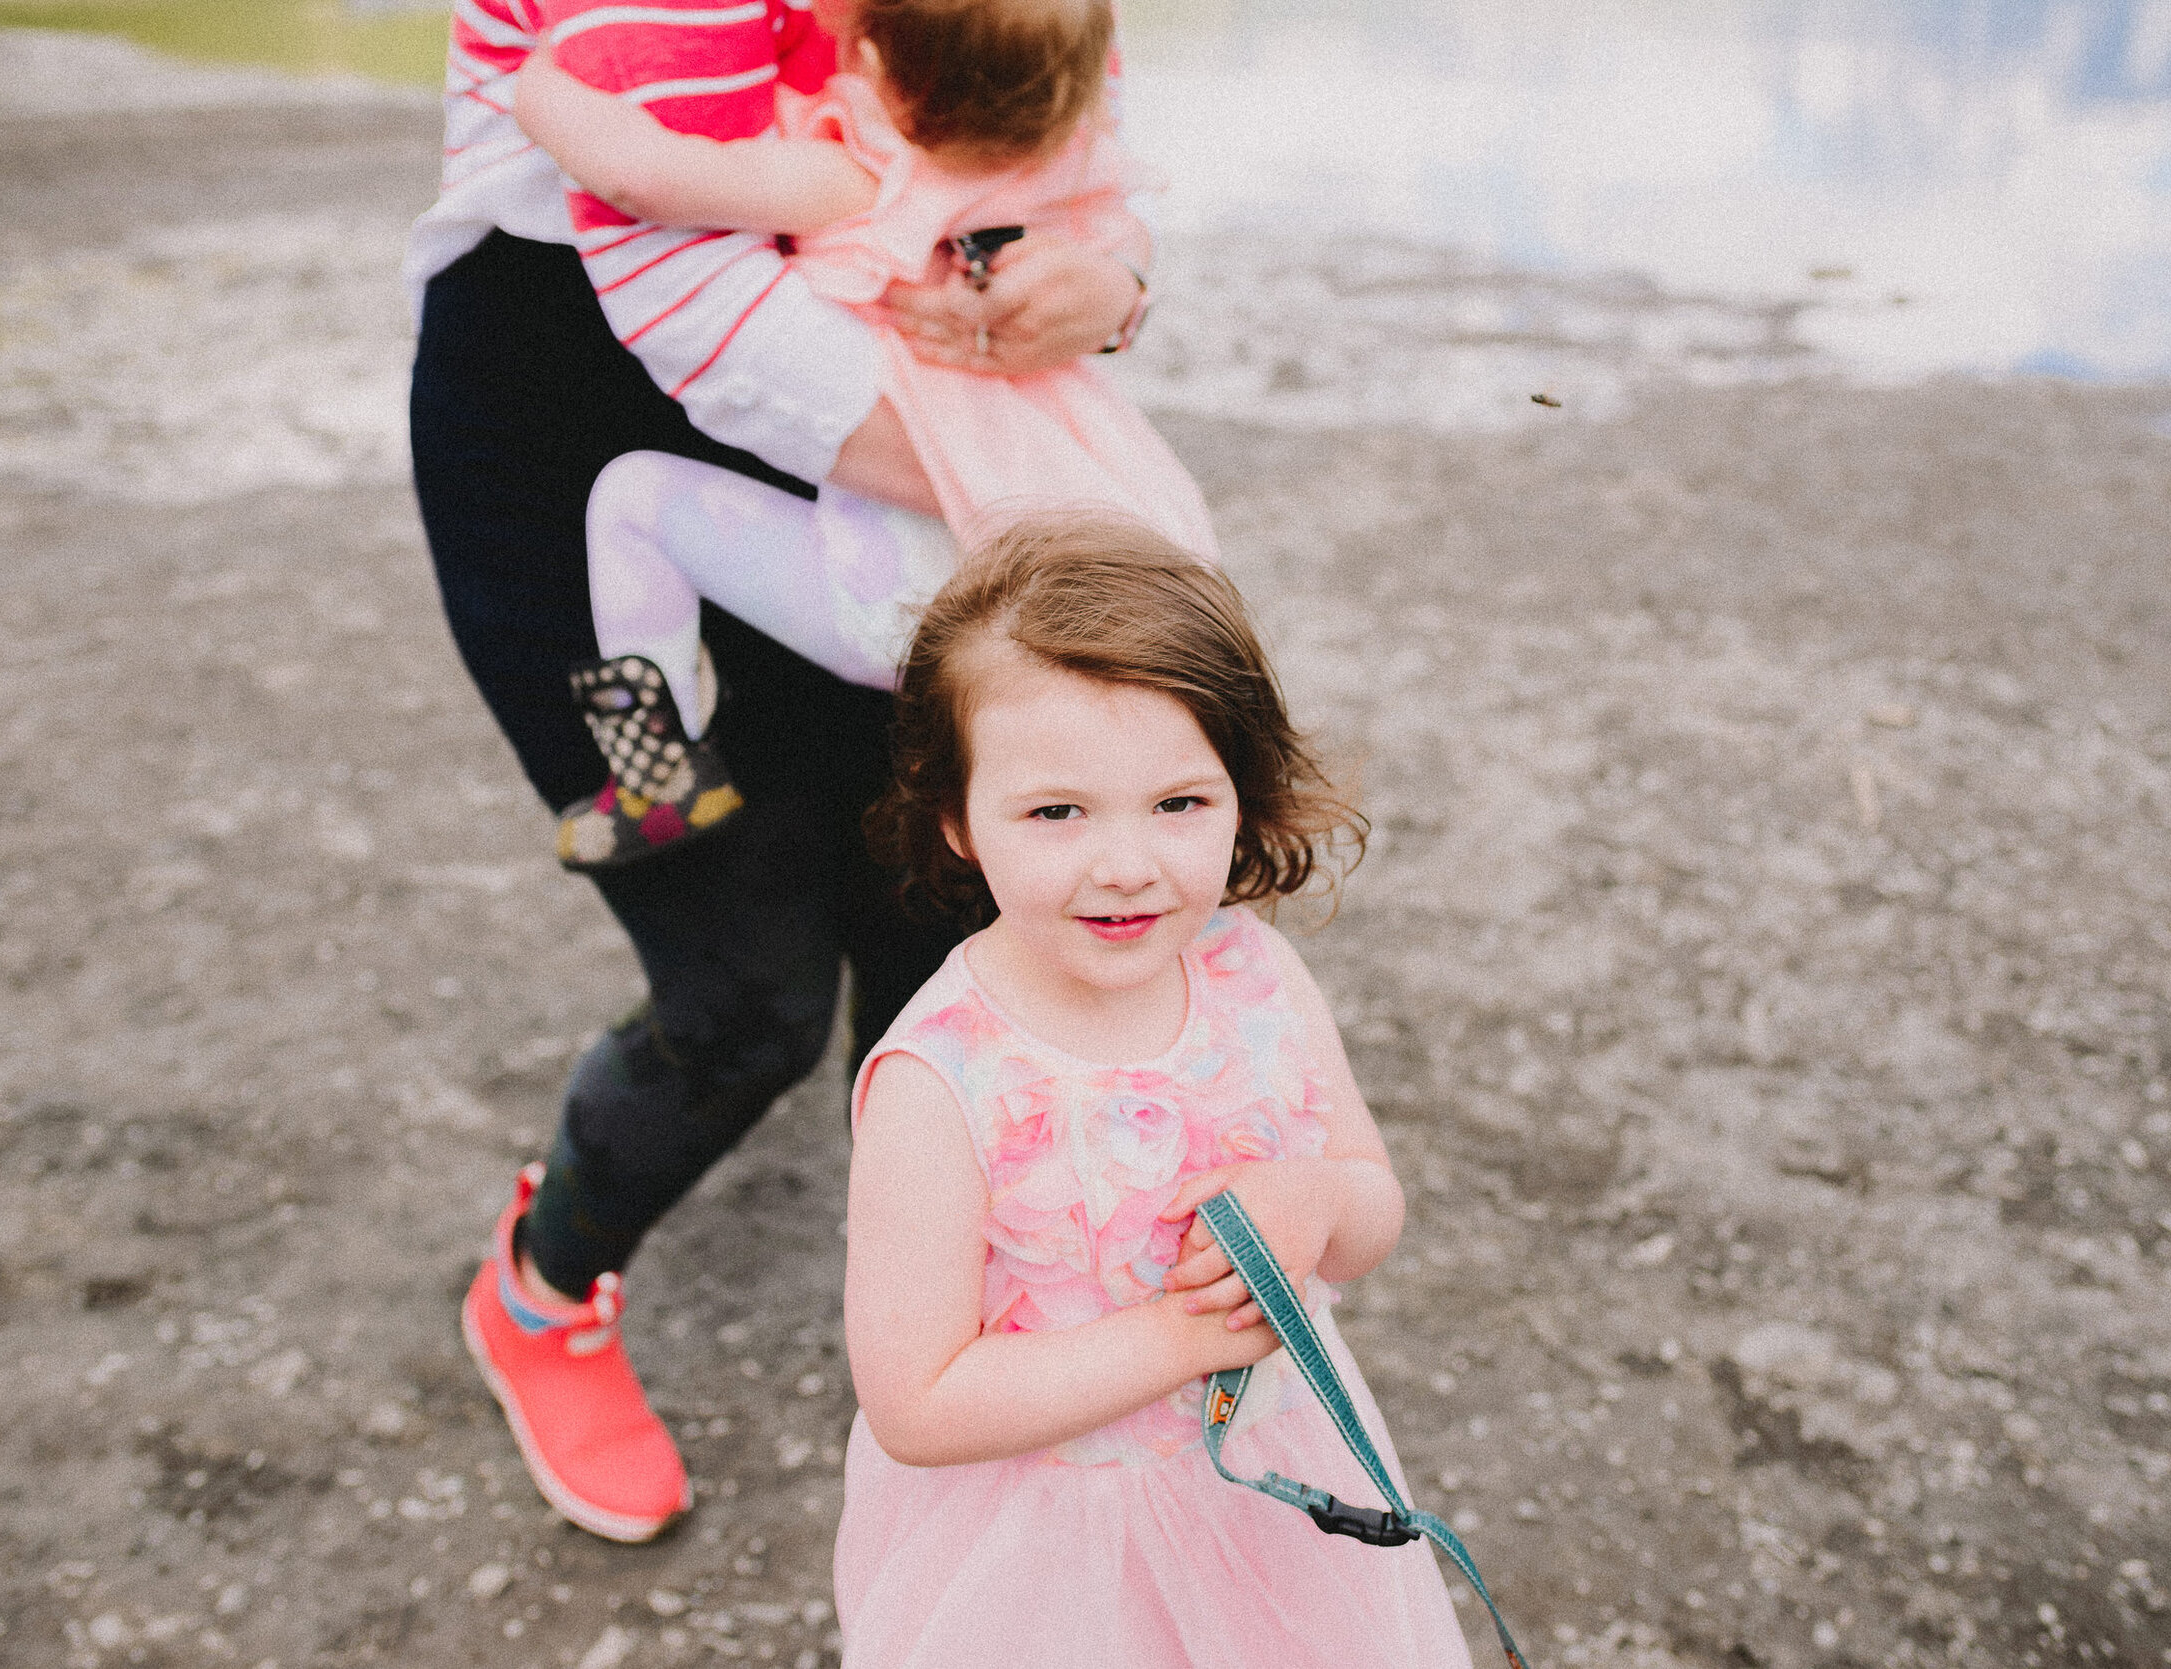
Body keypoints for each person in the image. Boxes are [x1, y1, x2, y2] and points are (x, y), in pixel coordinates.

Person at [411, 0, 1150, 1545]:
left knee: (934, 901)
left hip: (831, 466)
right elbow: (673, 240)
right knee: (739, 980)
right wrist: (1011, 464)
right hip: (580, 490)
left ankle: (939, 1309)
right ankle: (541, 1287)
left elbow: (1057, 153)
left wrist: (1103, 282)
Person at [835, 519, 1472, 1665]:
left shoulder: (1252, 972)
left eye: (1178, 803)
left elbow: (1372, 1209)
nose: (1126, 862)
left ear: (1243, 791)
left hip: (1275, 1490)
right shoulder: (941, 1080)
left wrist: (1320, 1201)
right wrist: (1193, 1328)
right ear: (957, 819)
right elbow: (917, 1404)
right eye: (1055, 812)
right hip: (1046, 1559)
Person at [507, 0, 1213, 870]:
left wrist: (538, 93)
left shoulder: (860, 180)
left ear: (874, 67)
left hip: (899, 604)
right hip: (1053, 573)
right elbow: (1121, 247)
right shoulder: (1070, 179)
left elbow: (645, 178)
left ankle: (656, 772)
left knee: (631, 502)